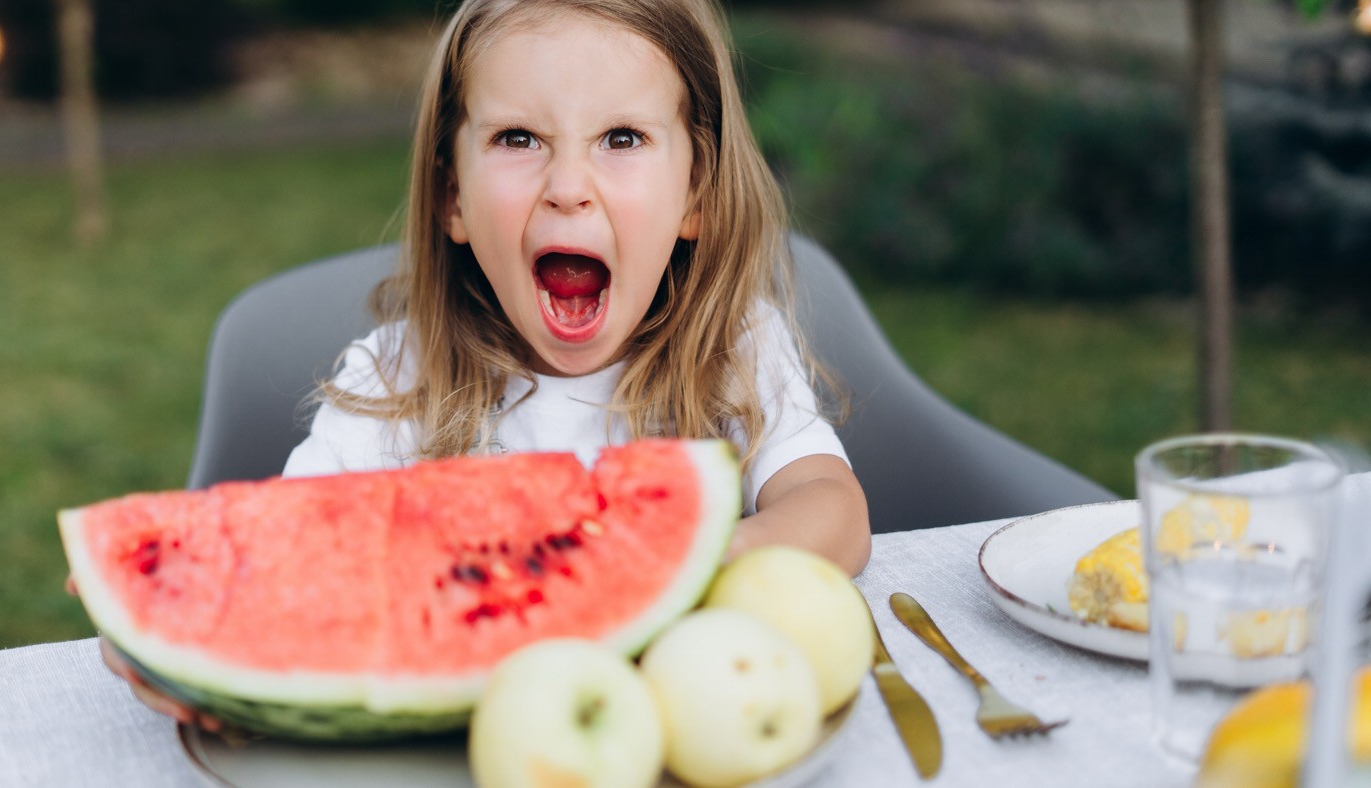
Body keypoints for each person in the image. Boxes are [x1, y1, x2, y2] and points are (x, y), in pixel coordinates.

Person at [97, 0, 870, 729]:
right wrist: (178, 622)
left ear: (695, 191)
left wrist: (689, 564)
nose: (569, 189)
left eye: (622, 138)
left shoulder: (734, 349)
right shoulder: (394, 382)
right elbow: (284, 555)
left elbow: (833, 508)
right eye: (518, 139)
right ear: (452, 197)